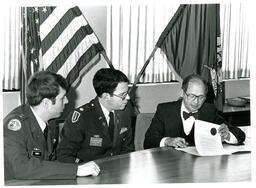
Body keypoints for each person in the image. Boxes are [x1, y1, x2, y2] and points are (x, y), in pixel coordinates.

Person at [4, 71, 100, 180]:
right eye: (62, 98)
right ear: (46, 103)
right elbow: (21, 168)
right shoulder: (15, 125)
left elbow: (51, 161)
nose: (67, 101)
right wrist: (76, 170)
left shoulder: (51, 123)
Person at [144, 74, 245, 149]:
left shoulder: (209, 111)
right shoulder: (164, 110)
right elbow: (148, 141)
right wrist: (167, 141)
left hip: (200, 169)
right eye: (192, 96)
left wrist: (227, 135)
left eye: (201, 97)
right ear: (182, 93)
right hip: (169, 167)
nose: (196, 102)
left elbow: (240, 134)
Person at [57, 68, 135, 164]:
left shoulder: (124, 113)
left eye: (127, 93)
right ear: (106, 96)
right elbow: (64, 155)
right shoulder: (82, 117)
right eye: (123, 95)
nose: (128, 98)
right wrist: (84, 168)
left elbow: (128, 149)